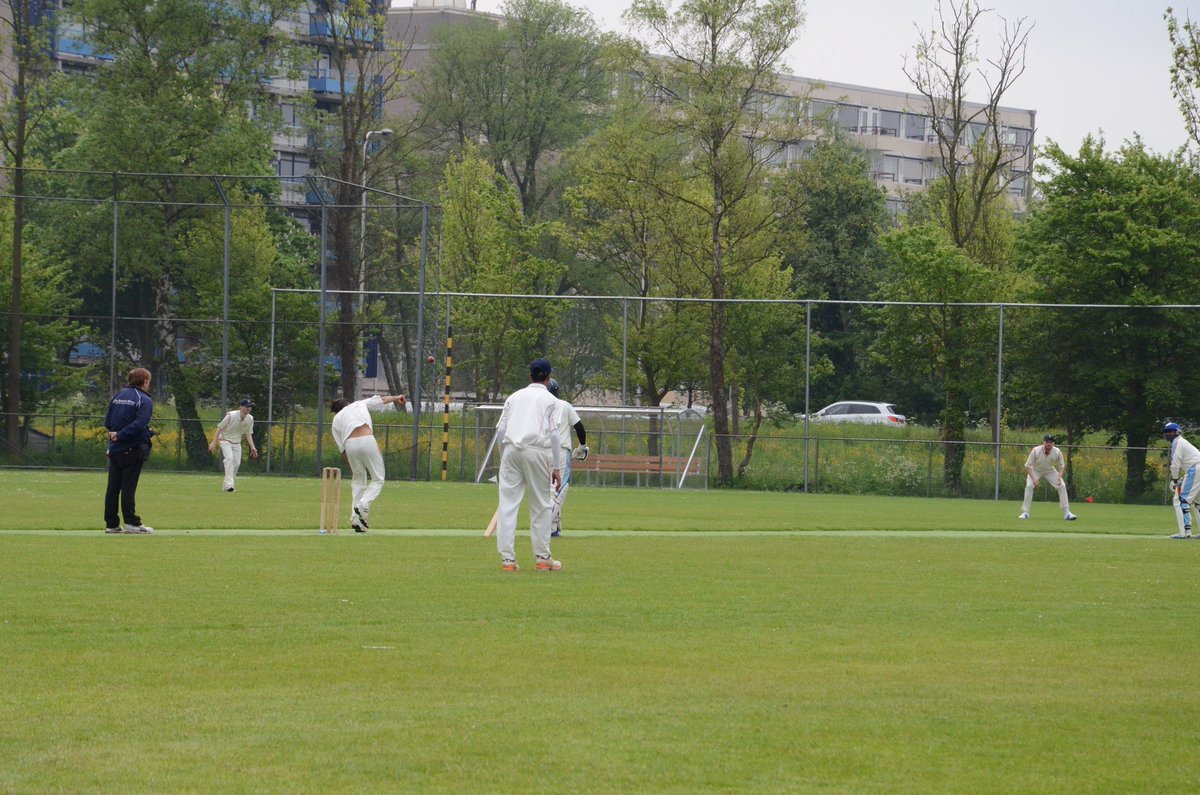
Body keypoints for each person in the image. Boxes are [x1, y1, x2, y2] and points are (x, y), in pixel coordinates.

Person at [494, 358, 562, 572]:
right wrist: (557, 467)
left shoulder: (513, 397)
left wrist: (504, 457)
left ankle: (507, 561)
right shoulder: (551, 400)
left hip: (511, 451)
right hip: (536, 451)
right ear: (549, 377)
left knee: (507, 505)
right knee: (541, 505)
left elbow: (500, 431)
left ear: (530, 375)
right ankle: (542, 558)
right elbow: (554, 435)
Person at [329, 393, 406, 532]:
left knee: (358, 482)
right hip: (366, 439)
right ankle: (363, 505)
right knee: (378, 479)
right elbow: (381, 400)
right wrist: (396, 398)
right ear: (348, 403)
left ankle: (356, 519)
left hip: (350, 445)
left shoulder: (336, 420)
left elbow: (342, 450)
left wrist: (352, 467)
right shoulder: (358, 403)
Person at [103, 367, 156, 534]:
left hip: (115, 450)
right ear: (145, 381)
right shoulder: (144, 399)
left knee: (113, 487)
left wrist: (113, 437)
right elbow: (140, 423)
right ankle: (132, 523)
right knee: (128, 487)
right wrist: (121, 435)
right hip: (132, 448)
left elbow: (108, 421)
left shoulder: (117, 395)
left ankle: (111, 524)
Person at [547, 378, 587, 537]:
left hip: (541, 451)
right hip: (561, 450)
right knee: (560, 488)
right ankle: (547, 524)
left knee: (548, 490)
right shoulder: (564, 405)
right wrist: (582, 446)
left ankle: (554, 528)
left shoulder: (540, 405)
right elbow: (579, 427)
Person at [1018, 435, 1077, 521]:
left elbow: (1061, 466)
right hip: (1035, 470)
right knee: (1029, 486)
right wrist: (1034, 479)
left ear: (1053, 443)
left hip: (1050, 470)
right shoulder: (1035, 450)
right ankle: (1025, 512)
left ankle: (1067, 513)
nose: (1049, 444)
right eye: (1047, 442)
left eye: (1051, 442)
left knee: (1062, 486)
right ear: (1043, 442)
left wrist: (1059, 477)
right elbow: (1028, 466)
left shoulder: (1057, 452)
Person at [209, 399, 259, 492]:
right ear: (241, 407)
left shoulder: (250, 419)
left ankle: (226, 486)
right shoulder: (231, 415)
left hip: (236, 442)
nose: (249, 408)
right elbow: (219, 428)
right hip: (224, 439)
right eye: (247, 406)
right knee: (229, 459)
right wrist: (214, 442)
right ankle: (230, 486)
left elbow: (248, 434)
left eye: (250, 407)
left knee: (236, 464)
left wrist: (253, 447)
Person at [1163, 422, 1200, 539]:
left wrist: (1174, 479)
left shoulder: (1177, 442)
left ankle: (1185, 533)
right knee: (1198, 502)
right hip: (1196, 468)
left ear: (1177, 432)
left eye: (1171, 431)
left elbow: (1175, 464)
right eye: (1167, 432)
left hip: (1195, 468)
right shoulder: (1181, 442)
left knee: (1181, 500)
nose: (1169, 434)